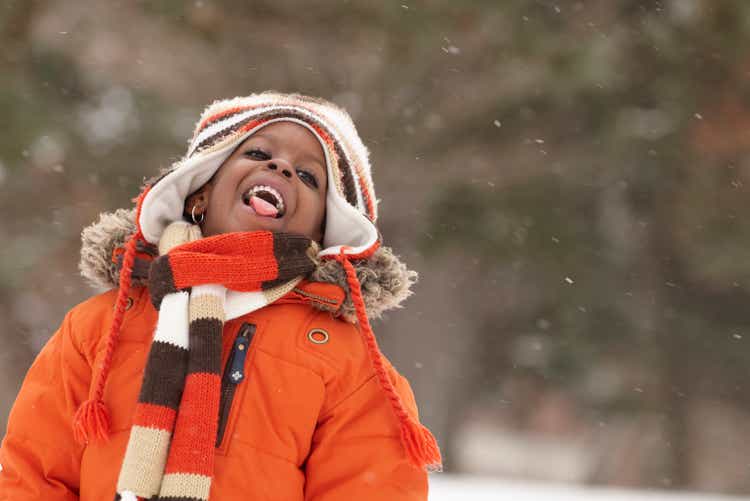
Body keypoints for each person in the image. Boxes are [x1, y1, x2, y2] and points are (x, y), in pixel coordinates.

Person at [0, 91, 441, 500]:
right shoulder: (101, 326)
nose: (282, 168)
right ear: (203, 189)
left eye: (308, 175)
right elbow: (33, 477)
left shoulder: (347, 365)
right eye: (258, 153)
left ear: (324, 230)